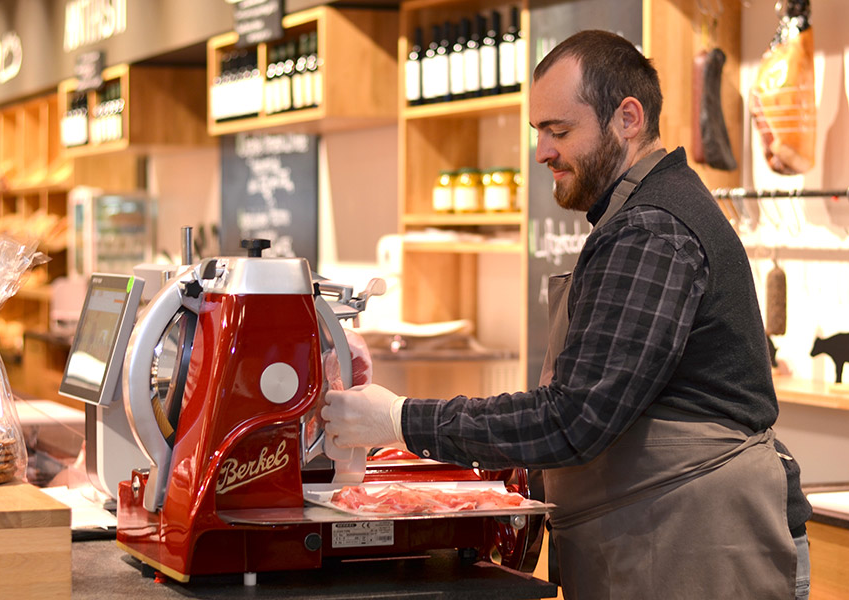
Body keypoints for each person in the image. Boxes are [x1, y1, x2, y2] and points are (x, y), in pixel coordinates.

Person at [322, 30, 811, 600]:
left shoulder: (651, 229)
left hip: (696, 545)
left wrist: (400, 420)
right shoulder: (639, 217)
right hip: (659, 537)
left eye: (559, 131)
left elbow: (573, 418)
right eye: (539, 133)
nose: (542, 153)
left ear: (628, 117)